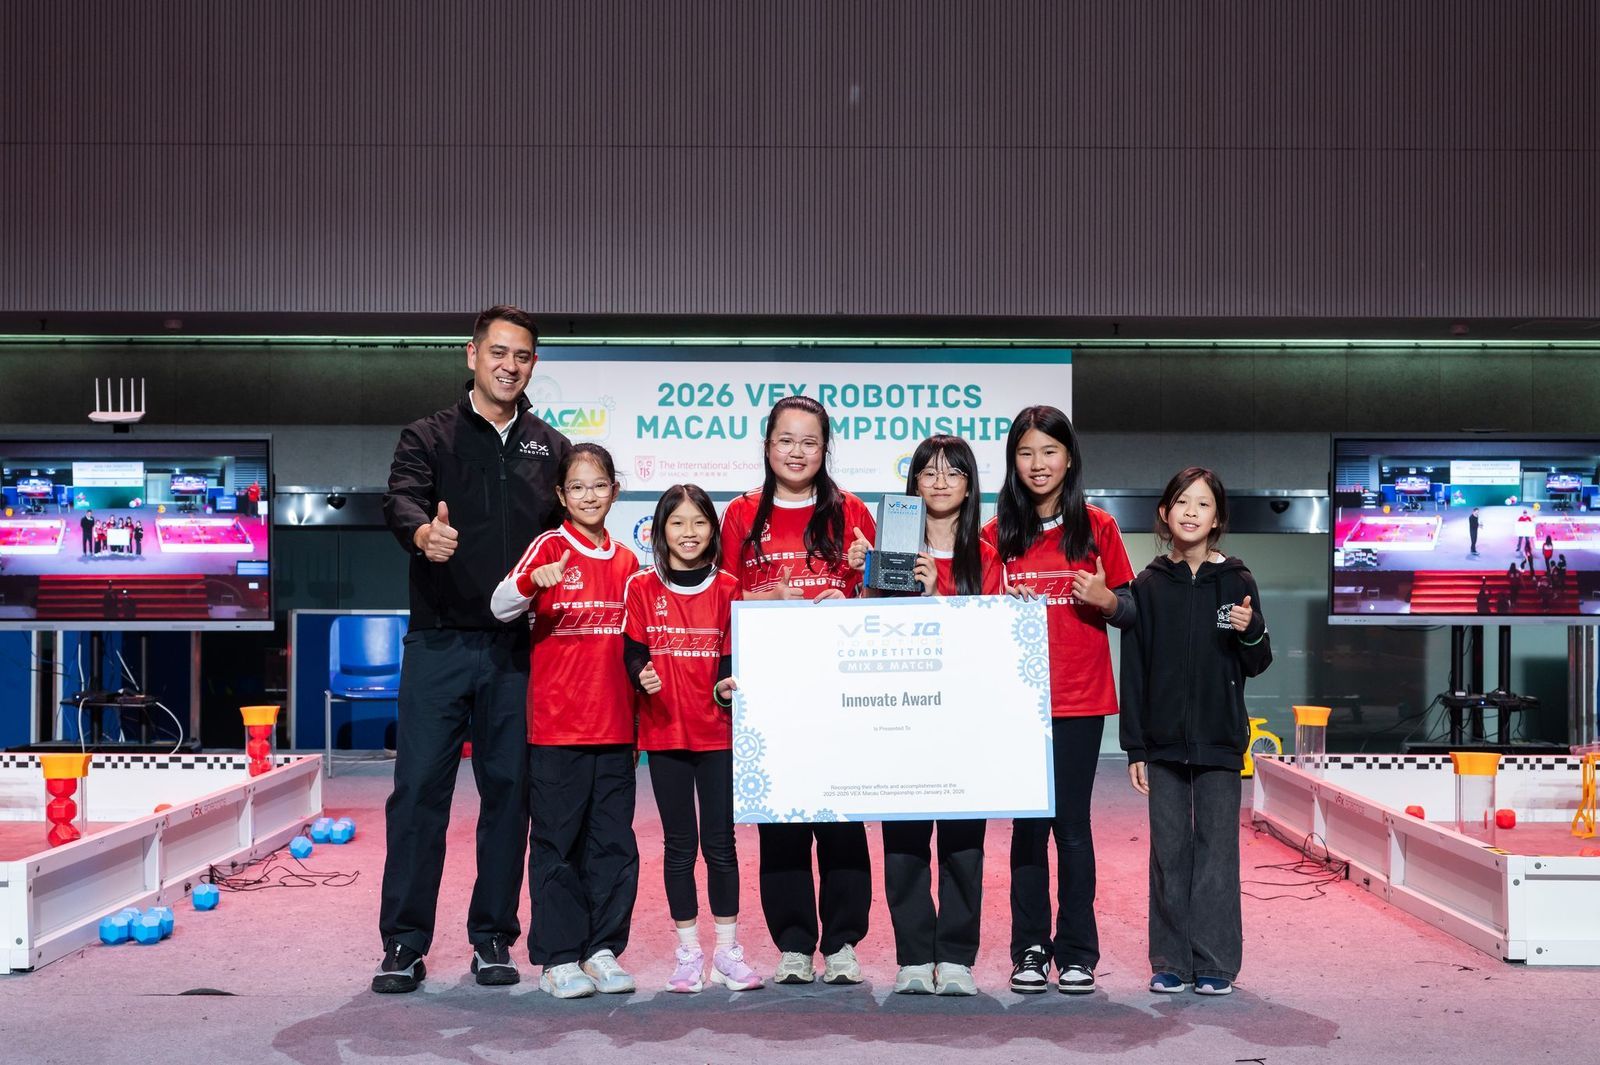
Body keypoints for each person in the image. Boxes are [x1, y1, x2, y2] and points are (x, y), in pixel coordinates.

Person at [373, 304, 570, 995]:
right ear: (472, 355)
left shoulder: (551, 447)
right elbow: (399, 498)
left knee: (509, 796)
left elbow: (571, 535)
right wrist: (422, 533)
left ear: (533, 364)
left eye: (522, 356)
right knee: (418, 793)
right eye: (498, 352)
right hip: (438, 643)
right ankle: (403, 942)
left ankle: (492, 937)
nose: (509, 365)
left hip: (517, 651)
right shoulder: (428, 436)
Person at [720, 395, 877, 986]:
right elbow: (720, 596)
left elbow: (882, 600)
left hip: (840, 690)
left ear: (825, 448)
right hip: (770, 691)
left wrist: (857, 585)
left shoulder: (852, 510)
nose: (796, 452)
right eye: (785, 440)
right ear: (767, 446)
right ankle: (792, 944)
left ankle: (842, 943)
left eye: (809, 442)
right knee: (780, 820)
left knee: (842, 819)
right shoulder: (741, 513)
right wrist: (771, 600)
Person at [983, 405, 1136, 995]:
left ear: (1069, 458)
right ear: (1013, 462)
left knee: (1071, 827)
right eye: (1025, 453)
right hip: (1016, 705)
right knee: (1027, 829)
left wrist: (1105, 599)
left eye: (1049, 451)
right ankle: (1028, 949)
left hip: (1079, 699)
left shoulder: (1098, 527)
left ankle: (1076, 952)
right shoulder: (995, 534)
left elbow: (1131, 611)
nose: (1038, 464)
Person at [848, 435, 1004, 997]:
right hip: (900, 715)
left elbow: (991, 639)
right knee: (904, 840)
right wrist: (864, 580)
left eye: (953, 473)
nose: (940, 482)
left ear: (969, 485)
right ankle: (914, 956)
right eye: (928, 472)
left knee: (964, 842)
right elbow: (866, 631)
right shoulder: (889, 550)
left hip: (962, 720)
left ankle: (957, 957)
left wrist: (938, 599)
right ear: (912, 483)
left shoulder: (986, 556)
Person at [493, 443, 641, 999]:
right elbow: (499, 606)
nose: (589, 496)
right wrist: (534, 581)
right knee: (556, 843)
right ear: (561, 494)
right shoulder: (549, 546)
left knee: (613, 844)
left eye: (599, 485)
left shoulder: (627, 561)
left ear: (614, 492)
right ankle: (558, 958)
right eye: (577, 487)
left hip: (617, 730)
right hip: (558, 729)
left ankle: (602, 949)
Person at [1120, 466, 1272, 998]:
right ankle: (1169, 960)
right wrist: (1135, 746)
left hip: (1220, 739)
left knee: (1216, 853)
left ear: (1217, 517)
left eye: (1203, 504)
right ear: (1164, 513)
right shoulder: (1147, 585)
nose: (1191, 512)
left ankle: (1215, 962)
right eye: (1182, 502)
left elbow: (1258, 662)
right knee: (1168, 851)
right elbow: (1134, 670)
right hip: (1161, 742)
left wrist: (1251, 631)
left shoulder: (1237, 581)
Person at [622, 483, 762, 994]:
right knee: (679, 846)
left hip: (718, 737)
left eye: (699, 522)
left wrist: (725, 689)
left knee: (721, 846)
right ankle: (687, 953)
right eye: (677, 522)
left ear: (712, 530)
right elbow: (633, 652)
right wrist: (641, 674)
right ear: (660, 530)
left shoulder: (729, 587)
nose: (688, 532)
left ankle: (727, 952)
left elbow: (731, 661)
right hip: (665, 736)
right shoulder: (642, 587)